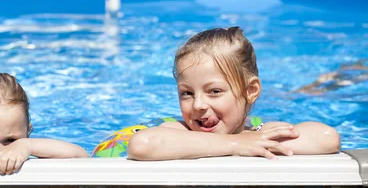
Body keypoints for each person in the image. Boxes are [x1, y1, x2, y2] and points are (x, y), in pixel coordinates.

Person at [126, 26, 341, 161]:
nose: (198, 104)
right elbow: (142, 144)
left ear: (250, 90)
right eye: (187, 93)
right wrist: (235, 145)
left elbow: (326, 138)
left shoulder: (260, 132)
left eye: (215, 91)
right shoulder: (177, 130)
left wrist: (248, 139)